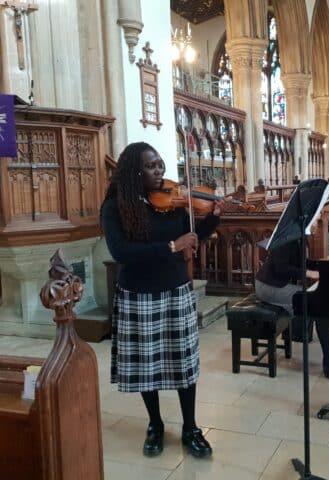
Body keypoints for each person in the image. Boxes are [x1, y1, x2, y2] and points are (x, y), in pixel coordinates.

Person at [101, 142, 224, 459]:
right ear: (133, 171)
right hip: (138, 294)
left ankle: (190, 427)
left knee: (184, 364)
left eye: (160, 164)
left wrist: (213, 218)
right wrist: (171, 246)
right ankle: (155, 424)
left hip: (174, 288)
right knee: (147, 366)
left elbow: (190, 231)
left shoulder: (174, 201)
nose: (160, 170)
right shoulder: (115, 207)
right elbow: (121, 252)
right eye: (151, 166)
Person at [254, 239, 329, 378]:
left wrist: (322, 265)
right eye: (315, 221)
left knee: (317, 302)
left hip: (277, 285)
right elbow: (280, 267)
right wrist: (309, 273)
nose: (316, 224)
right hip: (269, 287)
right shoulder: (286, 240)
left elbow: (300, 261)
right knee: (317, 303)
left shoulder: (297, 237)